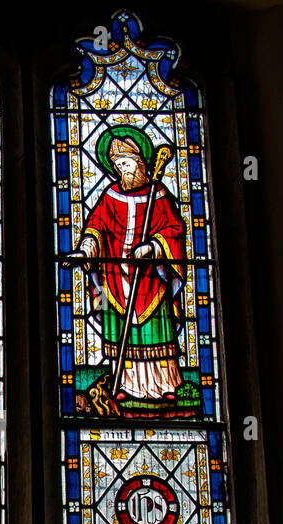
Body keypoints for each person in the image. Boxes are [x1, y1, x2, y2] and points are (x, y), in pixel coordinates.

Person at [69, 126, 185, 406]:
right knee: (121, 329)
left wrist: (155, 247)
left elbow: (174, 229)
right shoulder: (110, 196)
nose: (123, 169)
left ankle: (163, 384)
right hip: (114, 277)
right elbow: (95, 228)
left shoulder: (159, 196)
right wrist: (85, 251)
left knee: (155, 330)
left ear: (141, 162)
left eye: (127, 162)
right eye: (118, 164)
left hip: (150, 279)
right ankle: (125, 384)